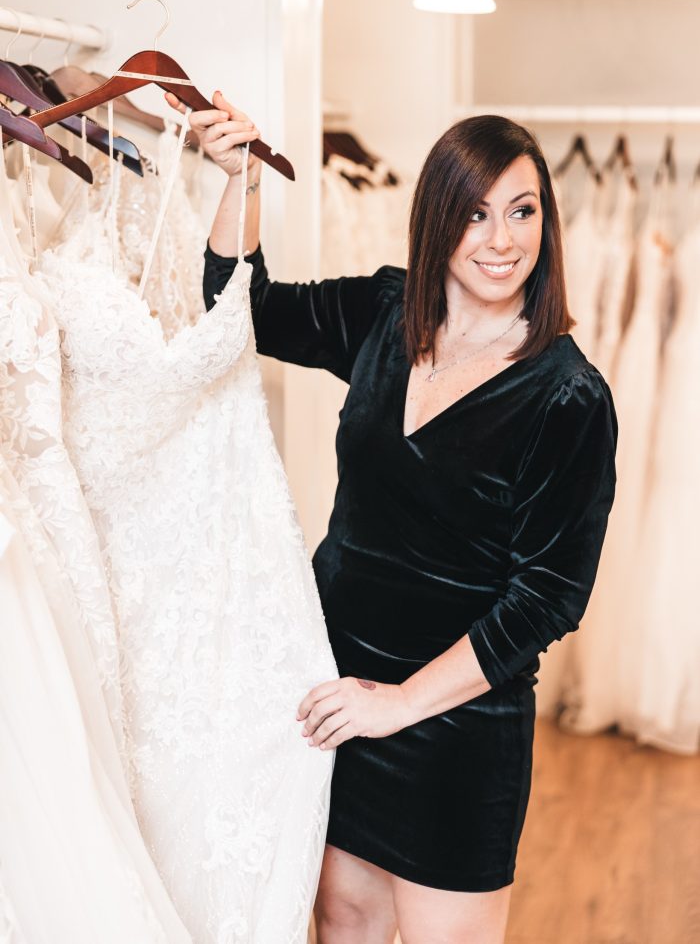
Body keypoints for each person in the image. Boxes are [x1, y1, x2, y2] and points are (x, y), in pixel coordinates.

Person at [176, 92, 617, 944]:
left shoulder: (567, 396)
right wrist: (241, 181)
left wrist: (400, 705)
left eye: (522, 211)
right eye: (477, 212)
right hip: (334, 696)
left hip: (455, 730)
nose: (501, 239)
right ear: (437, 220)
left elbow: (548, 600)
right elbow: (240, 312)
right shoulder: (386, 314)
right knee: (343, 924)